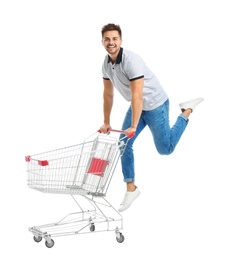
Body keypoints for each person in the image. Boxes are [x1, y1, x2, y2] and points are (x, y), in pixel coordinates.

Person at [99, 23, 204, 212]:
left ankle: (186, 111)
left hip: (155, 104)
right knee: (123, 143)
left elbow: (138, 95)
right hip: (138, 106)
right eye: (107, 39)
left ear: (121, 40)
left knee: (166, 149)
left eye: (114, 38)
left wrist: (133, 125)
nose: (111, 42)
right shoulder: (106, 65)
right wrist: (106, 121)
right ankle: (131, 188)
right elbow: (108, 94)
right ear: (102, 42)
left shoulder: (131, 61)